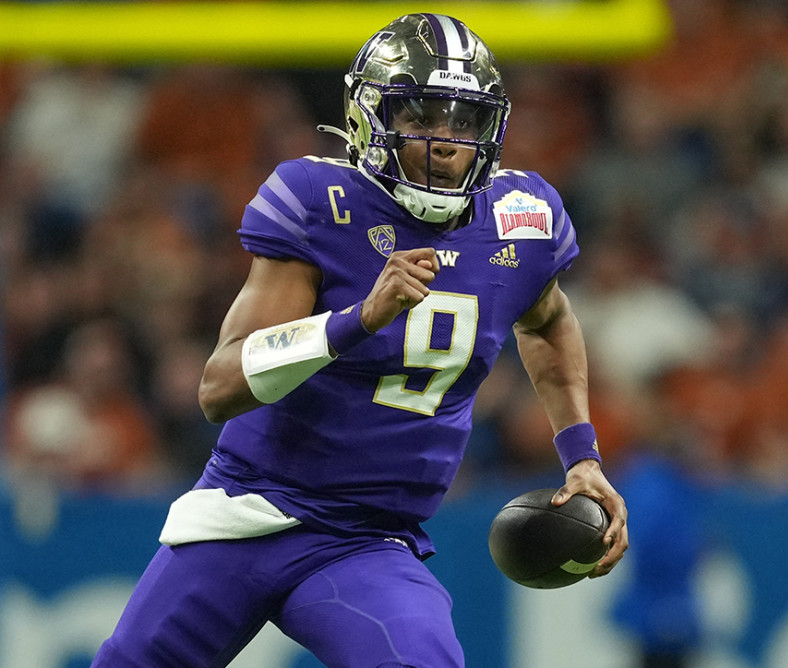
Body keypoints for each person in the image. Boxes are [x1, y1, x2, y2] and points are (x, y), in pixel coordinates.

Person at [91, 13, 628, 667]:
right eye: (424, 115)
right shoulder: (323, 203)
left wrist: (581, 456)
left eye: (464, 120)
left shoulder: (521, 223)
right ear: (371, 116)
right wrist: (357, 320)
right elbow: (219, 387)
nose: (448, 141)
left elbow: (548, 320)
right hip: (251, 511)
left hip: (369, 538)